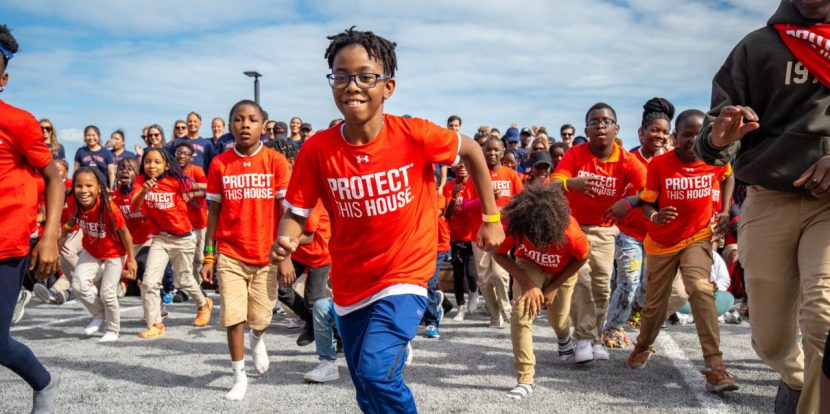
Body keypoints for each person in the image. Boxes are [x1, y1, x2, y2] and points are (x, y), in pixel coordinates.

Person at [271, 26, 503, 413]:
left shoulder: (415, 135)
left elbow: (474, 151)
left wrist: (491, 217)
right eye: (341, 76)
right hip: (349, 283)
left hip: (404, 276)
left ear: (388, 86)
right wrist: (286, 239)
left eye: (365, 76)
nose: (352, 86)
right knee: (365, 384)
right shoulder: (317, 150)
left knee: (379, 373)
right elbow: (296, 211)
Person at [693, 1, 830, 411]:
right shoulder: (757, 47)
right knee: (770, 341)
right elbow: (711, 143)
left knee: (822, 321)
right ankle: (796, 381)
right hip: (768, 199)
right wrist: (719, 138)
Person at [628, 109, 737, 393]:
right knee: (654, 306)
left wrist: (724, 211)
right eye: (686, 134)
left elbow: (728, 177)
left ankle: (716, 366)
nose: (693, 139)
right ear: (676, 137)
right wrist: (655, 217)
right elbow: (646, 202)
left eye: (699, 134)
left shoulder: (715, 159)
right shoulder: (660, 165)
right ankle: (644, 345)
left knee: (700, 288)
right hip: (662, 243)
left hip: (698, 237)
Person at [201, 100, 290, 400]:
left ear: (263, 126)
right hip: (230, 252)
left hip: (267, 254)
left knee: (261, 318)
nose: (244, 125)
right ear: (230, 127)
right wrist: (209, 254)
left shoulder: (276, 161)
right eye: (238, 120)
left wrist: (286, 254)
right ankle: (239, 376)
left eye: (252, 119)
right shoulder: (220, 163)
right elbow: (214, 210)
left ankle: (258, 338)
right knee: (233, 316)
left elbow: (286, 210)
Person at [551, 102, 646, 364]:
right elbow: (554, 183)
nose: (600, 126)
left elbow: (651, 189)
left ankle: (595, 338)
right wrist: (573, 184)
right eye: (594, 122)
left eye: (606, 121)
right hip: (574, 227)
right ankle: (583, 338)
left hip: (605, 230)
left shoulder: (627, 160)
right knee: (581, 280)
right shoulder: (575, 154)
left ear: (616, 128)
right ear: (586, 129)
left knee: (602, 286)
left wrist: (628, 203)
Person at [0, 23, 62, 412]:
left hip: (6, 245)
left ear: (3, 79)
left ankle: (44, 381)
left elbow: (54, 175)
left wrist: (50, 236)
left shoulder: (18, 122)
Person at [493, 184, 589, 399]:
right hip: (529, 265)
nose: (537, 241)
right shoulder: (517, 224)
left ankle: (564, 338)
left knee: (559, 319)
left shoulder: (570, 232)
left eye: (542, 237)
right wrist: (529, 284)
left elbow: (583, 258)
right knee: (521, 315)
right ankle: (525, 379)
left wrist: (554, 287)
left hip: (563, 271)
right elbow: (498, 254)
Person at [602, 97, 674, 349]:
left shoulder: (672, 162)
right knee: (629, 281)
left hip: (657, 236)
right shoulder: (629, 160)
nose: (659, 136)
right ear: (641, 132)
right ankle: (613, 326)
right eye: (654, 130)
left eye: (665, 132)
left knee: (648, 285)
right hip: (629, 233)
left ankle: (636, 312)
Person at [132, 147, 213, 339]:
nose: (152, 165)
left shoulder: (176, 180)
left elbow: (207, 187)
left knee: (184, 280)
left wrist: (193, 193)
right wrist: (144, 192)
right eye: (148, 161)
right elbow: (135, 206)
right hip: (160, 238)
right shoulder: (141, 181)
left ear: (166, 165)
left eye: (157, 162)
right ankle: (155, 323)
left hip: (183, 238)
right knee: (149, 282)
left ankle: (203, 303)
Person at [62, 168, 136, 342]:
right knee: (79, 285)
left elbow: (125, 234)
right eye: (79, 186)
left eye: (89, 185)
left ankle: (112, 329)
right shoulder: (73, 201)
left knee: (107, 293)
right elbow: (69, 223)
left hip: (114, 252)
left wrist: (131, 259)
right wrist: (64, 232)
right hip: (92, 249)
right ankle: (99, 313)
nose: (84, 190)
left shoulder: (109, 208)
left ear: (99, 189)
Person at [475, 137, 523, 328]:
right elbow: (468, 205)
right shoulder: (477, 174)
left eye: (496, 150)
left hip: (503, 233)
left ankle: (507, 310)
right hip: (478, 233)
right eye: (488, 150)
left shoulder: (511, 174)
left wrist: (503, 209)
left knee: (499, 274)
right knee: (484, 279)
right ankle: (495, 316)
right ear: (483, 152)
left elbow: (521, 201)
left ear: (503, 153)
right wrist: (484, 201)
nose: (492, 153)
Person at [443, 163, 478, 321]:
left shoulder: (475, 183)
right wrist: (453, 198)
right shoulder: (449, 187)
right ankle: (460, 307)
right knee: (458, 274)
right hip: (456, 236)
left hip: (472, 235)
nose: (463, 167)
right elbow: (448, 215)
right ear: (454, 168)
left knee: (471, 274)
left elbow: (479, 207)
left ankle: (473, 293)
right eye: (459, 165)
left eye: (465, 164)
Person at [174, 141, 208, 300]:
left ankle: (198, 284)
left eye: (185, 153)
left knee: (198, 257)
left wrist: (191, 193)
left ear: (191, 156)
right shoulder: (172, 172)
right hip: (180, 222)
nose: (181, 156)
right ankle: (182, 288)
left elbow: (208, 188)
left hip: (199, 220)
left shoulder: (197, 170)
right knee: (181, 256)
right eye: (178, 153)